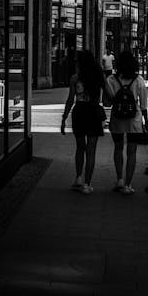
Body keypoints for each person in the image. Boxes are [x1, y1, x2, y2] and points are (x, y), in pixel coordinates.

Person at [61, 50, 105, 194]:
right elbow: (107, 96)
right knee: (91, 151)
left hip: (79, 111)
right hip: (93, 111)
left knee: (80, 147)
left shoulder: (75, 78)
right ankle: (87, 184)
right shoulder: (99, 76)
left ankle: (78, 177)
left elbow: (70, 99)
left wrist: (64, 118)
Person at [105, 51, 148, 194]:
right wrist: (146, 122)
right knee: (132, 151)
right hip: (134, 119)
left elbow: (108, 101)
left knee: (118, 148)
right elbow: (143, 105)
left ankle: (119, 180)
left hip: (117, 118)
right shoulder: (139, 80)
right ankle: (128, 184)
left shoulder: (111, 79)